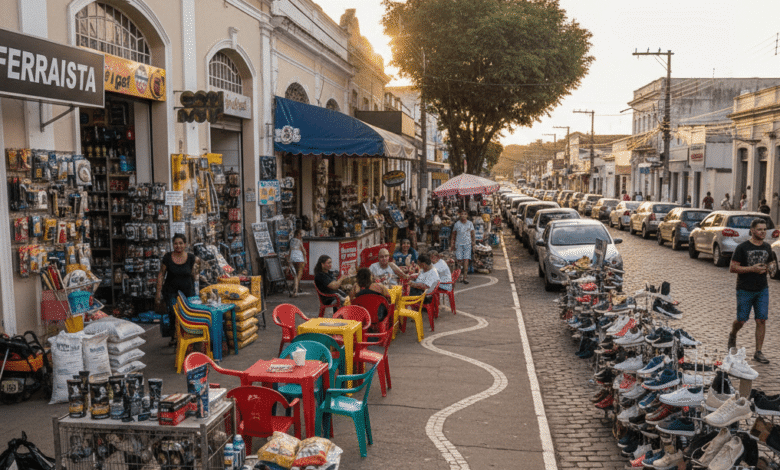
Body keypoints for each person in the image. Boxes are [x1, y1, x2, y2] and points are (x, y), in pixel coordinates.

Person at [728, 218, 772, 364]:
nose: (763, 232)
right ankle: (733, 334)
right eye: (760, 229)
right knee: (741, 320)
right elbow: (733, 268)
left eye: (765, 229)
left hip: (762, 289)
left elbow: (770, 264)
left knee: (761, 320)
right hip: (744, 289)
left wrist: (770, 269)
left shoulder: (767, 247)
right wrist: (752, 269)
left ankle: (758, 352)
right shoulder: (742, 248)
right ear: (752, 231)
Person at [156, 234, 200, 345]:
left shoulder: (190, 258)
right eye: (176, 243)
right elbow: (161, 274)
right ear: (172, 244)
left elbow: (196, 274)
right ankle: (175, 336)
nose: (178, 246)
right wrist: (158, 293)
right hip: (171, 292)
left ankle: (188, 335)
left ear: (185, 244)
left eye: (181, 243)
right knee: (173, 314)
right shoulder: (167, 257)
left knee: (188, 314)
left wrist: (198, 269)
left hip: (187, 292)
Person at [450, 210, 475, 284]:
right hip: (459, 245)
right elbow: (453, 235)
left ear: (467, 215)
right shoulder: (457, 224)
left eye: (465, 214)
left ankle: (465, 277)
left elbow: (473, 234)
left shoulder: (470, 224)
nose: (463, 216)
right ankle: (459, 276)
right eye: (462, 214)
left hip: (467, 244)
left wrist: (473, 244)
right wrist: (452, 244)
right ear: (460, 215)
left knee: (466, 260)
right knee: (459, 261)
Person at [289, 229, 306, 297]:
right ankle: (295, 288)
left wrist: (288, 259)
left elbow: (290, 250)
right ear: (298, 235)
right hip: (299, 257)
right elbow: (304, 251)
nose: (301, 236)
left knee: (295, 275)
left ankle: (295, 287)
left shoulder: (291, 241)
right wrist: (305, 258)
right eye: (301, 234)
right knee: (299, 272)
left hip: (292, 258)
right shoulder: (299, 241)